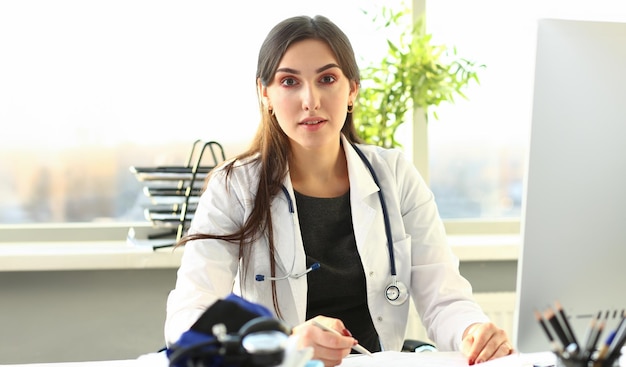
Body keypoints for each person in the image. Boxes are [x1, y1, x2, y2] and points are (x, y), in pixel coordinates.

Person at [164, 14, 513, 367]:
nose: (311, 100)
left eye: (327, 79)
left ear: (352, 90)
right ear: (265, 94)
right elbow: (188, 317)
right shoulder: (234, 186)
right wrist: (285, 342)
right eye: (289, 82)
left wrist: (473, 330)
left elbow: (445, 299)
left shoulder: (394, 174)